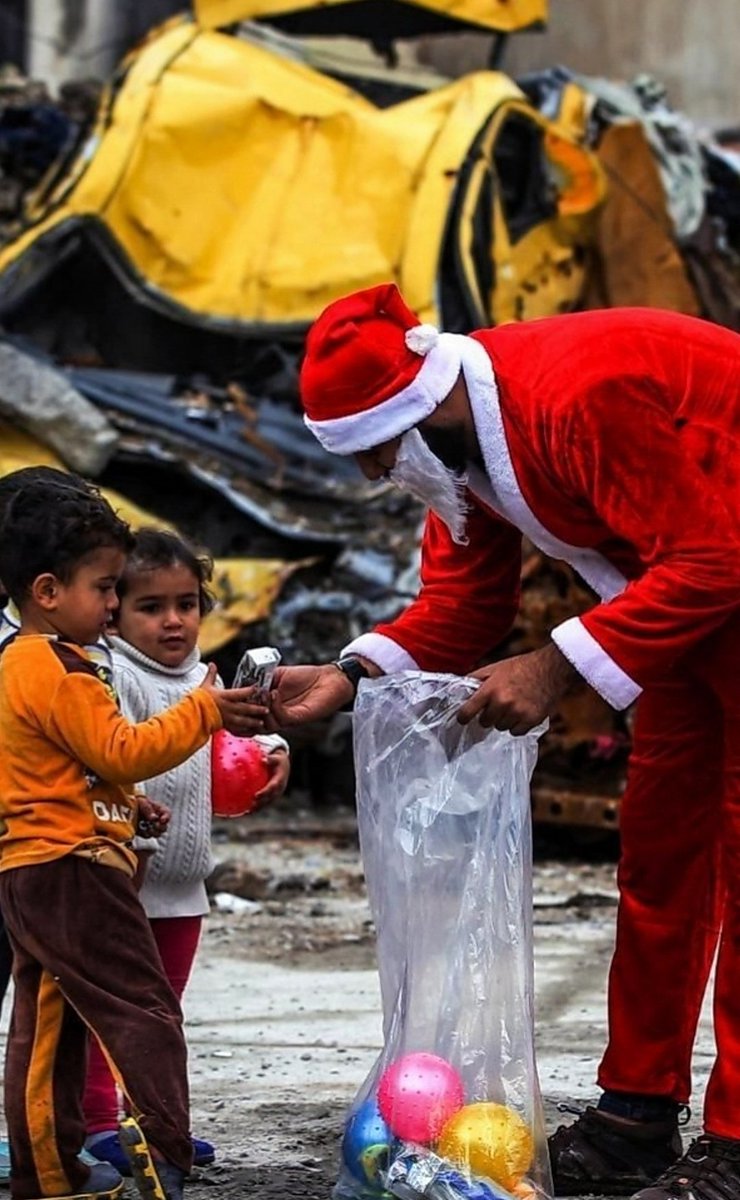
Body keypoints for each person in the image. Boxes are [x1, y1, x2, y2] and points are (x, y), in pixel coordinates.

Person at [267, 282, 740, 1200]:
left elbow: (717, 551)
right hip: (687, 611)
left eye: (372, 453)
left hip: (713, 571)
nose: (373, 478)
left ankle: (737, 1143)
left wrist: (554, 668)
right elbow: (466, 602)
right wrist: (351, 676)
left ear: (414, 409)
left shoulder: (577, 397)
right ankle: (634, 1113)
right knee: (660, 856)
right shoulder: (455, 453)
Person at [0, 476, 269, 1200]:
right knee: (143, 1008)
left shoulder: (24, 664)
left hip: (32, 867)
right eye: (107, 587)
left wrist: (126, 807)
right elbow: (121, 748)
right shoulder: (61, 669)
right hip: (73, 869)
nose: (115, 604)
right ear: (48, 590)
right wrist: (205, 711)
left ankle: (50, 1172)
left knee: (46, 1026)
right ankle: (162, 1148)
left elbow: (74, 769)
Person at [82, 528, 291, 1173]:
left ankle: (157, 1124)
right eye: (152, 607)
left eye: (188, 603)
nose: (174, 621)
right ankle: (95, 1123)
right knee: (109, 1011)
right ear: (114, 609)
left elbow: (231, 743)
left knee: (163, 1013)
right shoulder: (109, 671)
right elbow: (109, 753)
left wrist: (271, 751)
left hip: (183, 882)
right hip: (122, 874)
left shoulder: (207, 676)